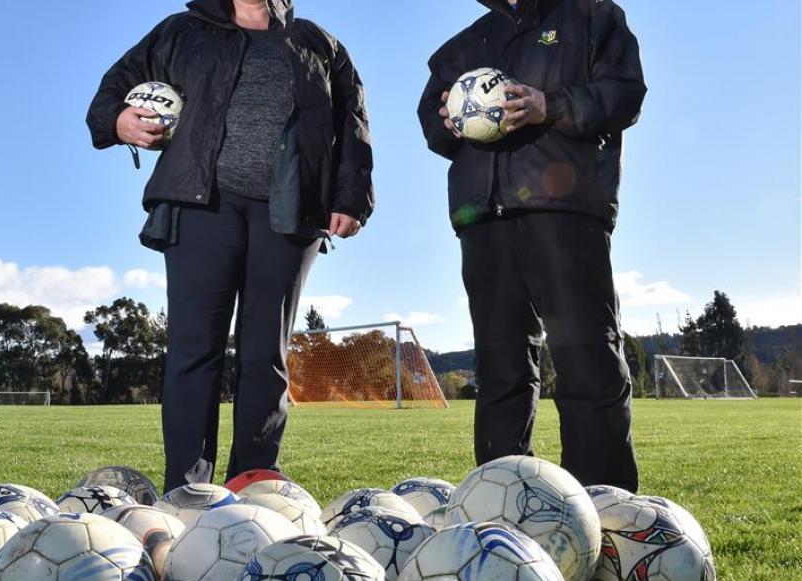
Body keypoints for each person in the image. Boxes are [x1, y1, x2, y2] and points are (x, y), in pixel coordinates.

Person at [87, 0, 373, 493]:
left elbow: (353, 123)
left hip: (289, 213)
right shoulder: (180, 31)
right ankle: (186, 489)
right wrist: (119, 122)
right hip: (201, 207)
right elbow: (111, 92)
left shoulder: (316, 44)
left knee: (265, 353)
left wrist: (352, 199)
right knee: (193, 352)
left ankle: (253, 482)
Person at [418, 0, 646, 492]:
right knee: (499, 368)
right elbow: (431, 121)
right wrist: (449, 119)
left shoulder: (594, 18)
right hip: (482, 215)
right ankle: (504, 502)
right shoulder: (468, 41)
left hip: (563, 209)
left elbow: (625, 95)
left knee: (586, 357)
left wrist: (551, 106)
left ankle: (606, 508)